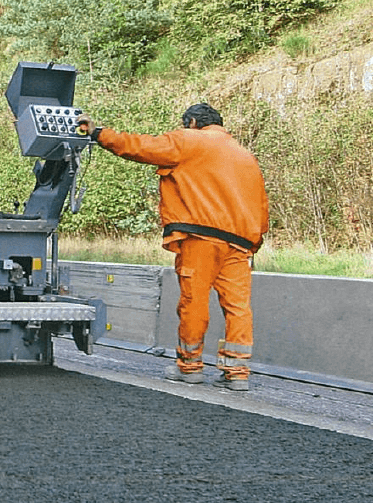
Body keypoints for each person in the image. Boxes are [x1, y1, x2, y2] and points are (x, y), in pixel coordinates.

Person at [78, 104, 269, 391]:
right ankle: (237, 372)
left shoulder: (188, 141)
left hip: (201, 237)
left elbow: (142, 147)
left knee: (194, 302)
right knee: (238, 307)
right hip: (241, 243)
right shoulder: (245, 155)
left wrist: (98, 133)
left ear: (192, 122)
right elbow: (261, 204)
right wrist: (255, 241)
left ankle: (190, 366)